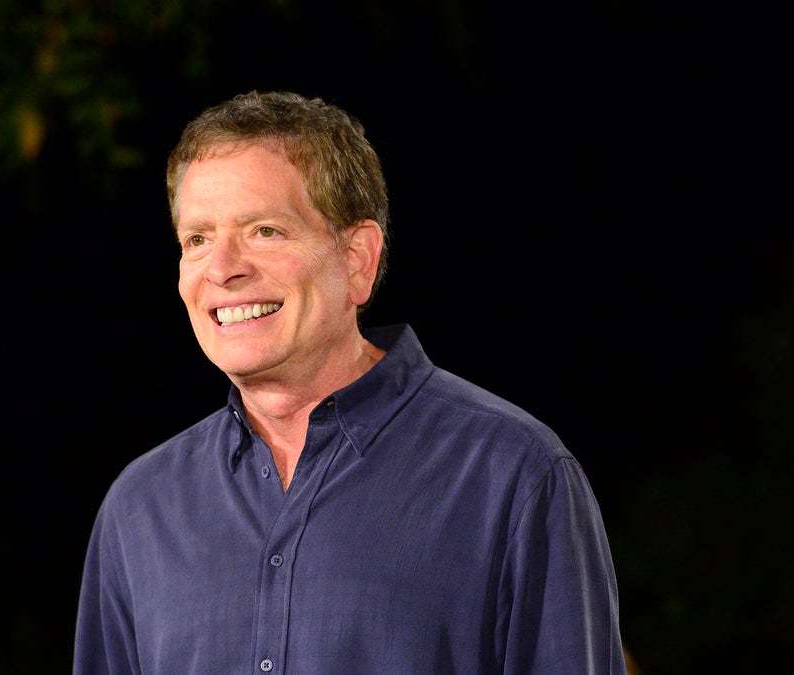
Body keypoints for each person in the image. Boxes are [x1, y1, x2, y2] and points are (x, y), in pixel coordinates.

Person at [73, 89, 626, 674]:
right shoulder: (140, 507)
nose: (222, 267)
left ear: (357, 259)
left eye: (264, 230)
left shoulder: (514, 475)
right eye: (197, 239)